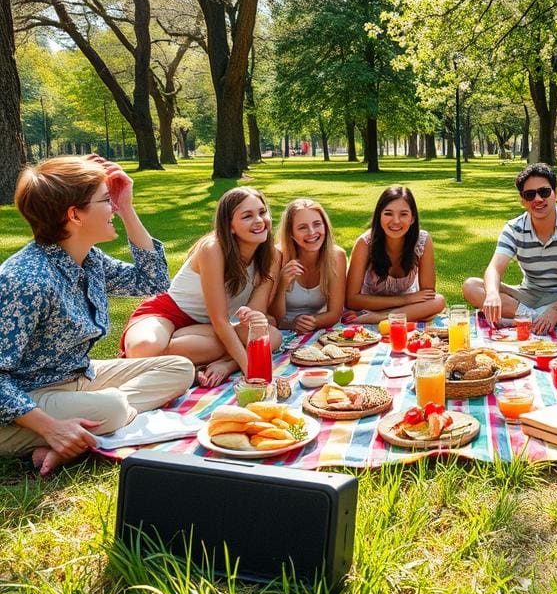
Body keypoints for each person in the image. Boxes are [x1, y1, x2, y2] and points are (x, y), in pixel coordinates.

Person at [0, 156, 194, 476]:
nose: (113, 209)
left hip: (78, 378)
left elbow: (153, 282)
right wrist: (50, 428)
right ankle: (85, 428)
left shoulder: (88, 259)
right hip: (24, 403)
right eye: (106, 200)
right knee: (114, 408)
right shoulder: (26, 280)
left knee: (179, 367)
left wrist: (128, 207)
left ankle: (89, 426)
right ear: (75, 215)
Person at [121, 187, 281, 388]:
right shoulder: (213, 248)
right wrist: (252, 371)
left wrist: (229, 365)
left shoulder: (273, 257)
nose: (259, 220)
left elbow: (256, 315)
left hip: (206, 329)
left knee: (271, 335)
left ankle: (198, 365)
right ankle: (187, 362)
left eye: (262, 212)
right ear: (230, 225)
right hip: (168, 314)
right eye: (247, 216)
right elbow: (220, 319)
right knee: (143, 348)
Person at [463, 163, 557, 335]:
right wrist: (492, 294)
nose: (538, 199)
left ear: (556, 193)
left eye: (544, 192)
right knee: (472, 286)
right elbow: (495, 268)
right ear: (523, 201)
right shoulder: (514, 228)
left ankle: (520, 320)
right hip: (529, 295)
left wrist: (556, 309)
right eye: (530, 195)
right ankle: (534, 319)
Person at [343, 186, 445, 324]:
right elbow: (351, 300)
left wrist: (400, 307)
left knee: (439, 301)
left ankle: (382, 318)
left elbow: (428, 295)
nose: (396, 221)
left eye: (403, 214)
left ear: (412, 218)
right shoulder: (365, 243)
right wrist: (406, 300)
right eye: (388, 213)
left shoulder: (422, 241)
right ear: (379, 216)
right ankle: (391, 317)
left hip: (404, 309)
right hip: (371, 307)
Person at [269, 198, 347, 334]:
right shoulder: (277, 256)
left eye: (317, 224)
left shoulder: (336, 256)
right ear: (291, 234)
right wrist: (282, 284)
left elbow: (335, 314)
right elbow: (273, 316)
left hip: (317, 327)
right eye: (302, 227)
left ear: (325, 226)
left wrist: (311, 322)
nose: (311, 232)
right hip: (280, 330)